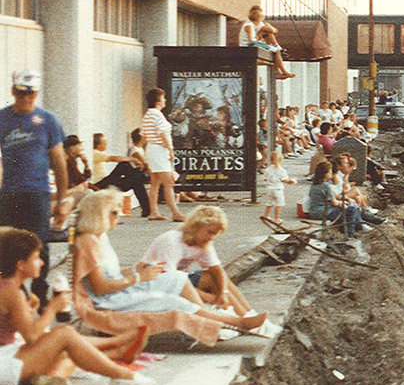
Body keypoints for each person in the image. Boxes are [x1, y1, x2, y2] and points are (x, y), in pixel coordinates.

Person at [73, 191, 266, 330]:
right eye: (113, 213)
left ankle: (220, 317)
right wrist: (138, 278)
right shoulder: (88, 241)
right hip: (109, 301)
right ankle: (231, 322)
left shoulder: (100, 237)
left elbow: (109, 275)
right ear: (98, 215)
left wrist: (134, 269)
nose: (119, 217)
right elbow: (99, 288)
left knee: (176, 277)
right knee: (171, 301)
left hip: (119, 289)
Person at [0, 228, 154, 385]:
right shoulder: (12, 293)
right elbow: (31, 336)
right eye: (36, 258)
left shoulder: (9, 286)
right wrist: (52, 308)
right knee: (64, 334)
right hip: (5, 364)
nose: (42, 263)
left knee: (67, 348)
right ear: (21, 265)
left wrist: (29, 310)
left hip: (8, 356)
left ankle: (54, 378)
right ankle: (123, 374)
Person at [0, 70, 70, 306]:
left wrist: (62, 199)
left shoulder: (47, 120)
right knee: (7, 247)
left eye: (31, 94)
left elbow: (59, 161)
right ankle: (12, 299)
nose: (26, 98)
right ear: (13, 91)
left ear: (37, 94)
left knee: (39, 247)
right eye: (21, 93)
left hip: (37, 193)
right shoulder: (2, 118)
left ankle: (40, 296)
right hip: (9, 193)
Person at [143, 207, 259, 320]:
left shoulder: (203, 241)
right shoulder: (172, 240)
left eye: (215, 234)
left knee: (213, 277)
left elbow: (217, 270)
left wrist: (223, 292)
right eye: (210, 232)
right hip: (153, 284)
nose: (211, 237)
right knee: (209, 285)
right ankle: (237, 319)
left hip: (177, 281)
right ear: (195, 226)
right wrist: (208, 297)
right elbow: (169, 280)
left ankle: (247, 314)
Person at [141, 88, 186, 222]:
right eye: (163, 98)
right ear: (158, 101)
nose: (165, 100)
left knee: (155, 182)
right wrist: (170, 150)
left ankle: (154, 212)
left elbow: (144, 135)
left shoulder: (147, 115)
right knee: (168, 182)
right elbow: (163, 134)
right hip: (160, 150)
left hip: (151, 148)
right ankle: (175, 212)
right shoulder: (157, 115)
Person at [92, 133, 150, 217]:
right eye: (105, 143)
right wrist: (133, 159)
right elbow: (114, 158)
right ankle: (147, 209)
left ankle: (147, 209)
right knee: (124, 165)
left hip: (105, 181)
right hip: (98, 184)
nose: (106, 144)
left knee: (135, 180)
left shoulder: (97, 153)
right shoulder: (95, 153)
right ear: (99, 145)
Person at [309, 162, 363, 237]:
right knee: (352, 210)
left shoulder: (315, 184)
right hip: (323, 212)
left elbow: (335, 197)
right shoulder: (326, 186)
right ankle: (351, 233)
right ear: (326, 173)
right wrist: (342, 203)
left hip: (314, 211)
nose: (331, 174)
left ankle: (359, 227)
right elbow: (334, 202)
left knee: (350, 208)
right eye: (330, 172)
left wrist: (344, 201)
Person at [238, 5, 294, 79]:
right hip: (249, 46)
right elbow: (251, 40)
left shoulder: (249, 24)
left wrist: (259, 36)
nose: (261, 22)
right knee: (276, 50)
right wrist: (260, 42)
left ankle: (280, 70)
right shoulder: (249, 26)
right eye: (260, 20)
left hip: (250, 44)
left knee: (271, 42)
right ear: (258, 19)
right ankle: (281, 71)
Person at [261, 150, 295, 223]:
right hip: (278, 189)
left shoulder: (268, 169)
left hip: (269, 189)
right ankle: (277, 219)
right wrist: (291, 181)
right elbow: (284, 180)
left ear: (270, 159)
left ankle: (266, 216)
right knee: (278, 204)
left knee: (269, 203)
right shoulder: (281, 170)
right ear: (280, 159)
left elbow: (264, 178)